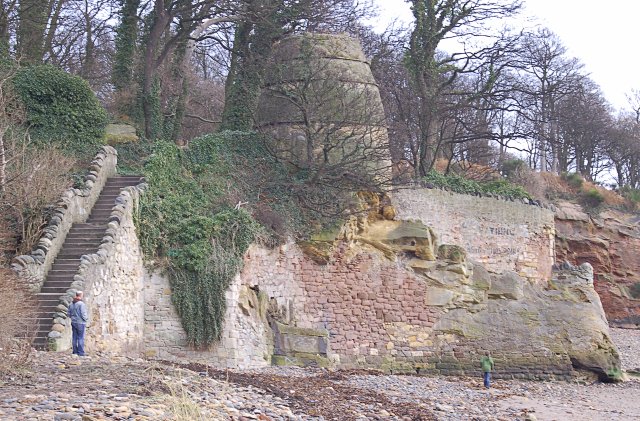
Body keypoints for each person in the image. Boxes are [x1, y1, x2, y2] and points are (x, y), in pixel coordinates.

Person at [67, 291, 88, 356]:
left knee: (74, 337)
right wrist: (86, 319)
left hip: (73, 322)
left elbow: (68, 314)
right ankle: (81, 352)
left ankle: (75, 351)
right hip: (80, 322)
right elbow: (83, 313)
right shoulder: (81, 304)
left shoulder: (71, 304)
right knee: (80, 337)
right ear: (80, 295)